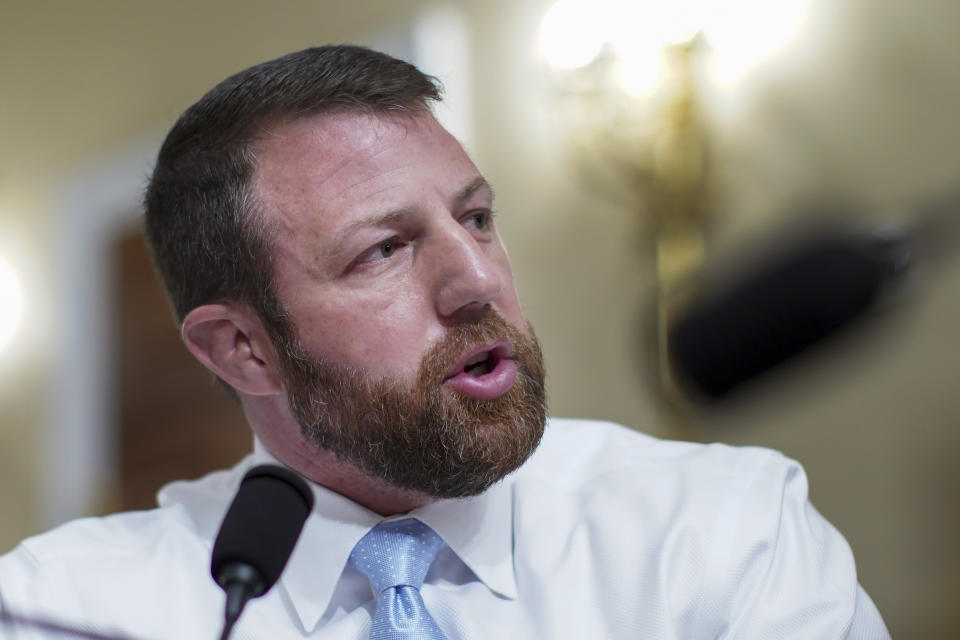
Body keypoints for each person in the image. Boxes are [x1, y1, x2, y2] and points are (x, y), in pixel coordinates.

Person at [0, 45, 888, 639]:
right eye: (383, 250)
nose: (478, 282)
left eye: (477, 217)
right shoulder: (69, 610)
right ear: (243, 349)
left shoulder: (723, 531)